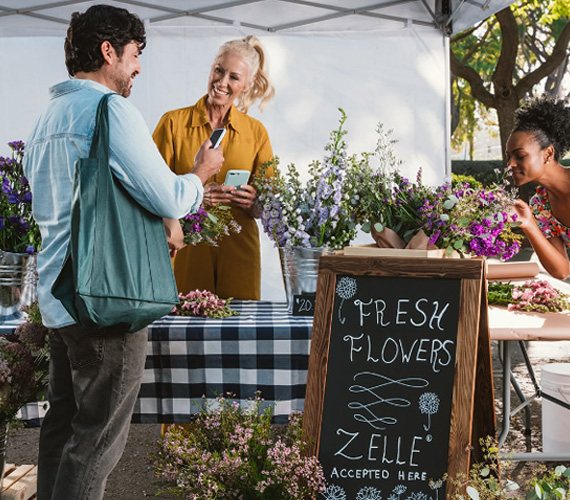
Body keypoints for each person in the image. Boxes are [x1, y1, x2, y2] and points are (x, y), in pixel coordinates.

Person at [22, 5, 223, 500]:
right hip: (106, 298)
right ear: (108, 51)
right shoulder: (108, 110)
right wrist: (201, 173)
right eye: (134, 55)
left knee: (61, 430)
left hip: (58, 297)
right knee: (96, 443)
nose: (137, 67)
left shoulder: (46, 117)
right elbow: (168, 197)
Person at [153, 35, 275, 300]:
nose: (222, 83)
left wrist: (254, 200)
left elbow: (268, 208)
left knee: (241, 334)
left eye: (234, 77)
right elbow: (151, 191)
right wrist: (196, 195)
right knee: (184, 333)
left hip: (239, 255)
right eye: (218, 71)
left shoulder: (256, 133)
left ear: (246, 84)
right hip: (186, 255)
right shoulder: (173, 124)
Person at [507, 95, 570, 280]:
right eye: (508, 156)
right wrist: (529, 224)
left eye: (519, 156)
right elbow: (561, 271)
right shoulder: (541, 205)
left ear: (548, 153)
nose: (510, 164)